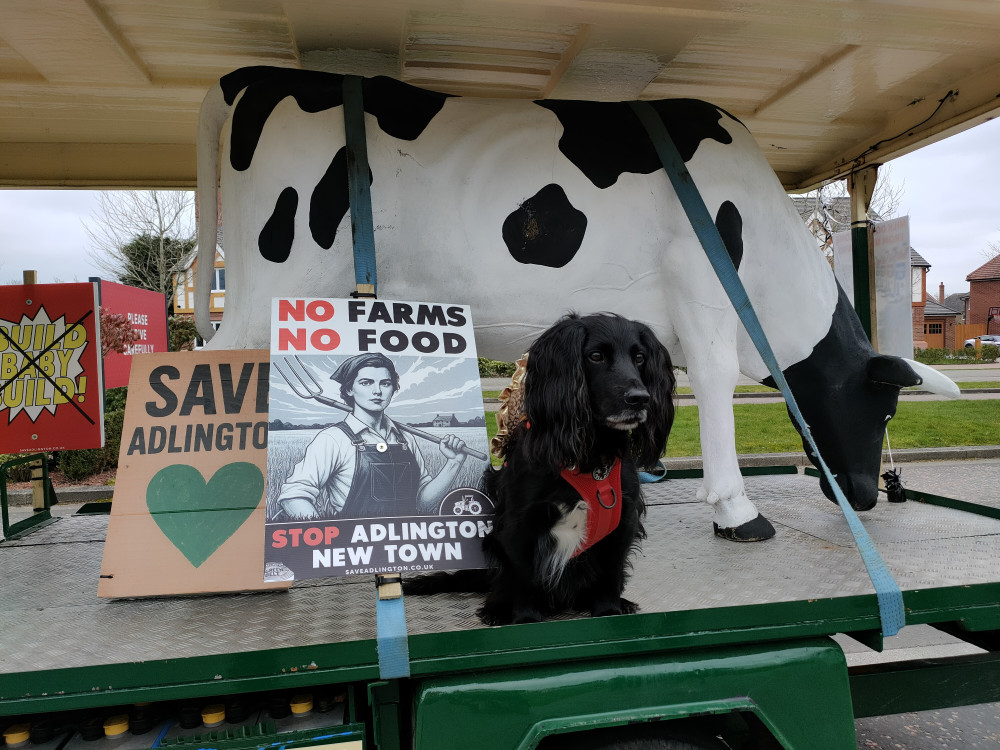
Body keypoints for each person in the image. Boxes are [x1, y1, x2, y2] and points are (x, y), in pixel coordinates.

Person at [277, 352, 468, 520]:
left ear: (393, 389)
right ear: (350, 389)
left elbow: (421, 504)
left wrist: (454, 463)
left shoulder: (406, 440)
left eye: (385, 383)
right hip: (354, 547)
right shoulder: (333, 439)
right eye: (366, 383)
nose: (377, 391)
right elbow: (294, 495)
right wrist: (328, 538)